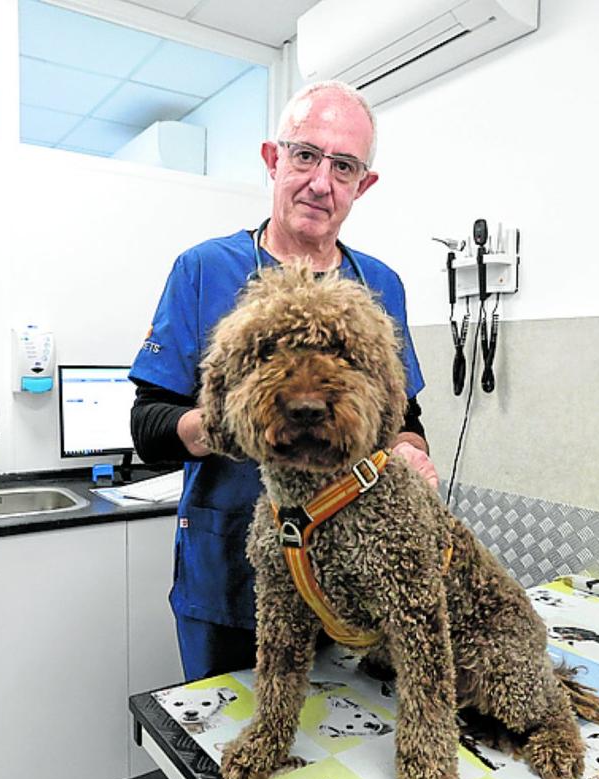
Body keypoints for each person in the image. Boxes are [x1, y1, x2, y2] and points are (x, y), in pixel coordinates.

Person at [129, 81, 437, 682]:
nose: (321, 182)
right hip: (230, 576)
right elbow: (149, 425)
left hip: (352, 579)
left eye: (343, 166)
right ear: (273, 159)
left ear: (361, 185)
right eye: (305, 155)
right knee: (228, 757)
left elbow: (407, 420)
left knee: (341, 756)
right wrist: (233, 427)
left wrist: (410, 456)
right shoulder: (204, 271)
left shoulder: (381, 286)